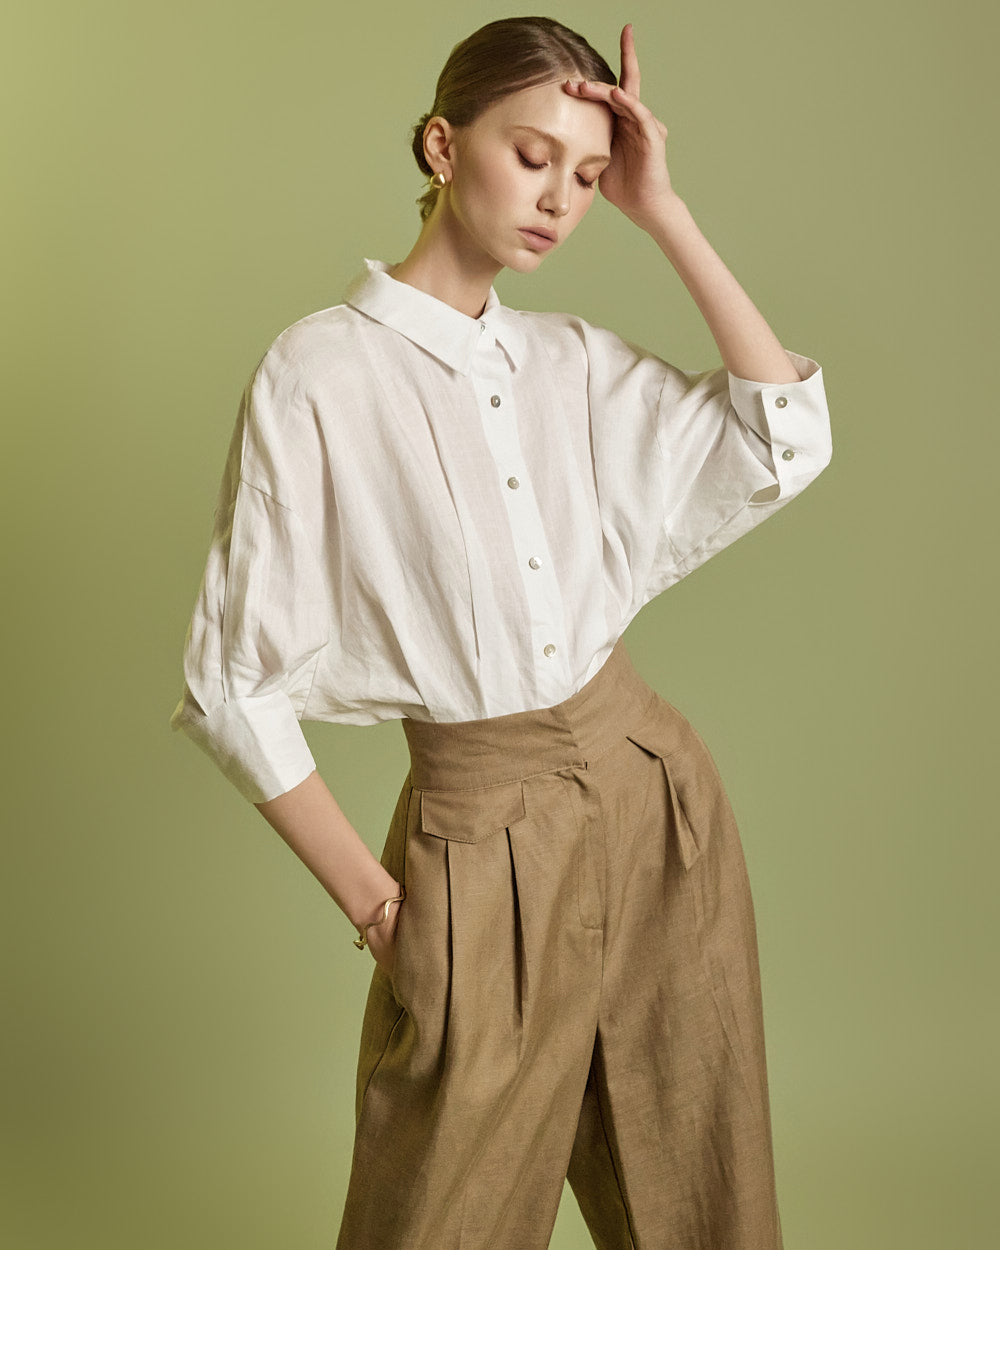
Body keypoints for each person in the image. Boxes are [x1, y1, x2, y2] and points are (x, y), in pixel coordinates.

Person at [168, 16, 833, 1249]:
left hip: (654, 807)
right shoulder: (318, 374)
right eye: (533, 157)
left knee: (706, 1211)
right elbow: (230, 687)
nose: (560, 200)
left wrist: (663, 213)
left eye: (588, 175)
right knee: (437, 1232)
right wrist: (382, 912)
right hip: (475, 835)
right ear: (442, 145)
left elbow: (783, 439)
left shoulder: (568, 362)